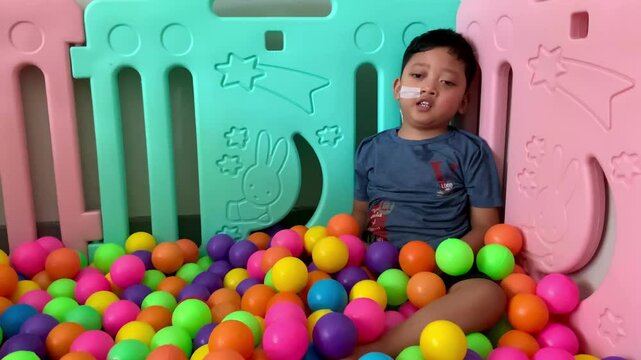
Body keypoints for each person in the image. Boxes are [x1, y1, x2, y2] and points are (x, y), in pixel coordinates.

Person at [349, 29, 506, 357]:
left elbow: (485, 227)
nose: (429, 87)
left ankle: (385, 347)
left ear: (463, 101)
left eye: (447, 83)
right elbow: (359, 215)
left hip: (443, 272)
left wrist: (440, 264)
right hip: (376, 268)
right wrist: (345, 251)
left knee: (489, 295)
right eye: (418, 75)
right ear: (397, 88)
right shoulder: (371, 150)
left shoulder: (470, 151)